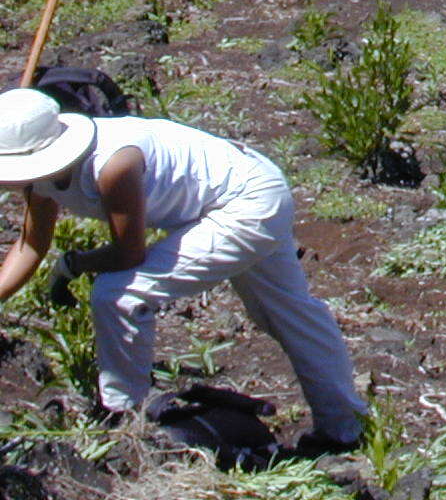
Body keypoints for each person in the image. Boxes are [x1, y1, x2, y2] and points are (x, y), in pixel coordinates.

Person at [0, 90, 366, 452]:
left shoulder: (112, 163)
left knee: (119, 293)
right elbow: (30, 245)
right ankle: (344, 430)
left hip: (247, 200)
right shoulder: (43, 177)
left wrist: (71, 266)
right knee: (288, 313)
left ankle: (125, 420)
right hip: (239, 193)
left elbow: (129, 254)